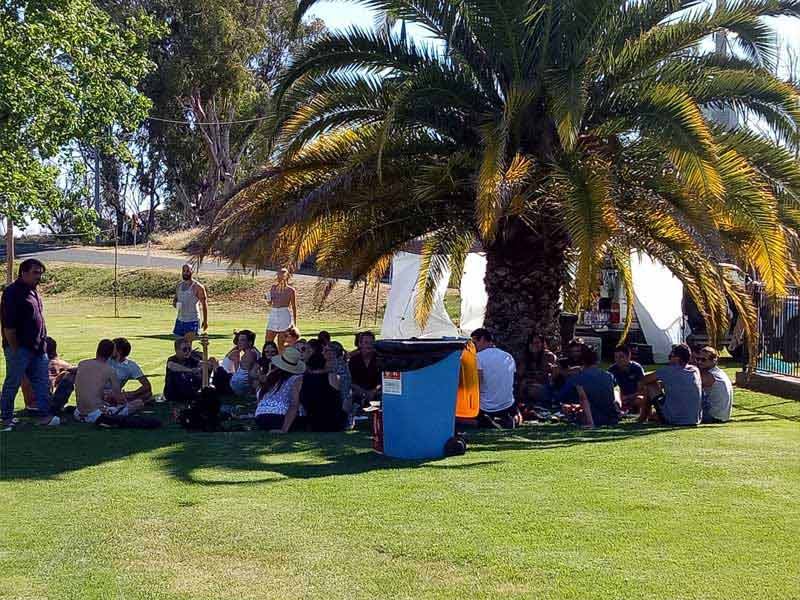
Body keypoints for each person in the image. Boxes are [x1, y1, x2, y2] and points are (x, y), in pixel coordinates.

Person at [1, 258, 57, 427]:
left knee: (42, 382)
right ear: (23, 272)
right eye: (35, 273)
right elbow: (8, 325)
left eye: (40, 273)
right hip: (20, 348)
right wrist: (15, 349)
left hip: (39, 348)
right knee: (13, 382)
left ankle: (44, 416)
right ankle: (6, 418)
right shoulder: (12, 292)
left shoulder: (34, 292)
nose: (38, 277)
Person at [74, 339, 143, 423]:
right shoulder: (109, 370)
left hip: (78, 413)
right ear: (112, 353)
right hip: (96, 415)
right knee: (138, 403)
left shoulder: (82, 363)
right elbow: (119, 398)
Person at [637, 343, 702, 426]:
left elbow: (644, 380)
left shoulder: (667, 371)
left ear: (677, 358)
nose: (669, 358)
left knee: (650, 385)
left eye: (670, 356)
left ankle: (642, 418)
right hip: (694, 420)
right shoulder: (695, 370)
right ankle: (650, 416)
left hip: (673, 420)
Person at [471, 328, 519, 429]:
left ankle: (487, 423)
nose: (473, 347)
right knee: (517, 412)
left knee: (459, 418)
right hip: (507, 404)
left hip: (486, 407)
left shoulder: (477, 357)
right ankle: (513, 419)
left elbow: (477, 385)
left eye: (474, 343)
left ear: (483, 339)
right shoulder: (508, 356)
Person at [561, 346, 619, 428]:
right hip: (612, 417)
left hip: (596, 417)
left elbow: (583, 399)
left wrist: (590, 423)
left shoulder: (579, 377)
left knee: (566, 408)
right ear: (597, 361)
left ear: (582, 361)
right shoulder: (609, 375)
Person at [254, 346, 306, 432]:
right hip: (278, 417)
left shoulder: (272, 375)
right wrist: (284, 430)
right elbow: (294, 404)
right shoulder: (297, 379)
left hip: (260, 417)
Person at [301, 345, 348, 431]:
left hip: (313, 424)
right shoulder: (332, 377)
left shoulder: (303, 379)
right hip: (333, 423)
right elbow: (342, 398)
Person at [696, 346, 733, 423]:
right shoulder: (719, 372)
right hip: (722, 416)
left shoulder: (709, 375)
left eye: (703, 360)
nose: (699, 362)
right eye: (697, 359)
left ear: (714, 361)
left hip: (713, 416)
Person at [172, 264, 208, 341]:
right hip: (180, 320)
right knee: (179, 345)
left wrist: (205, 321)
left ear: (192, 272)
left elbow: (204, 305)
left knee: (187, 345)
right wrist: (175, 304)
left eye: (187, 271)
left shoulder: (198, 287)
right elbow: (175, 299)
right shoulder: (179, 286)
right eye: (184, 271)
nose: (185, 273)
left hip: (192, 320)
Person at [520, 333, 557, 407]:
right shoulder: (526, 356)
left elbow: (546, 374)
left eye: (537, 343)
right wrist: (528, 357)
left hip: (544, 385)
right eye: (532, 343)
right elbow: (520, 372)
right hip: (528, 383)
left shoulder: (549, 356)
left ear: (542, 344)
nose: (535, 345)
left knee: (533, 389)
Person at [110, 337, 152, 402]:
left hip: (115, 394)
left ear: (119, 351)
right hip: (98, 392)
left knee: (148, 394)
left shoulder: (130, 366)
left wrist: (132, 393)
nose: (109, 350)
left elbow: (147, 386)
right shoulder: (105, 360)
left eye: (112, 348)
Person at [608, 345, 645, 413]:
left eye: (621, 357)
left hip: (633, 397)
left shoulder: (637, 368)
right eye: (616, 357)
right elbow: (609, 389)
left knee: (640, 399)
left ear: (628, 357)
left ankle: (633, 410)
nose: (618, 360)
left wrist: (628, 397)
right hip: (618, 399)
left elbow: (641, 390)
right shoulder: (612, 370)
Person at [265, 268, 298, 345]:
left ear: (287, 276)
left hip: (284, 314)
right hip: (273, 314)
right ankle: (269, 356)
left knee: (281, 342)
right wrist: (267, 299)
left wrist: (294, 323)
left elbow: (294, 307)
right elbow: (270, 303)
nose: (280, 278)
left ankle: (281, 356)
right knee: (268, 341)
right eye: (279, 275)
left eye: (282, 275)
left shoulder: (291, 290)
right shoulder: (273, 288)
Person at [349, 331, 381, 407]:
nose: (369, 345)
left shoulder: (380, 359)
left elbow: (384, 379)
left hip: (377, 393)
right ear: (360, 344)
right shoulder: (353, 360)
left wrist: (374, 391)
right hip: (358, 393)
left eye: (371, 343)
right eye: (366, 342)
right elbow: (349, 380)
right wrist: (363, 392)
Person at [230, 330, 258, 396]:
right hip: (238, 385)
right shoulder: (249, 352)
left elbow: (250, 375)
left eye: (242, 340)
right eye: (239, 340)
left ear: (250, 342)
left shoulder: (250, 354)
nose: (239, 343)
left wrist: (250, 391)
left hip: (241, 388)